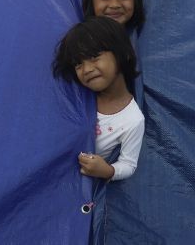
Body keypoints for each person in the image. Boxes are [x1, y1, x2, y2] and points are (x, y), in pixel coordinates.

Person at [53, 16, 145, 181]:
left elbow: (128, 164)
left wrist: (107, 170)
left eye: (94, 57)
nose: (86, 69)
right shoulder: (77, 96)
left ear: (121, 54)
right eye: (78, 64)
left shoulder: (132, 119)